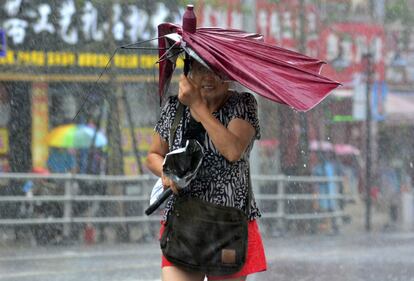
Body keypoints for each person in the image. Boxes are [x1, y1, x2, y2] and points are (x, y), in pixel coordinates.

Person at [146, 59, 267, 281]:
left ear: (229, 74)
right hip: (184, 221)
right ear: (189, 73)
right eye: (201, 69)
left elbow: (232, 150)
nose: (208, 77)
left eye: (217, 70)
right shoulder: (174, 107)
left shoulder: (243, 104)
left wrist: (198, 107)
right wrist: (165, 174)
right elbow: (153, 155)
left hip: (229, 223)